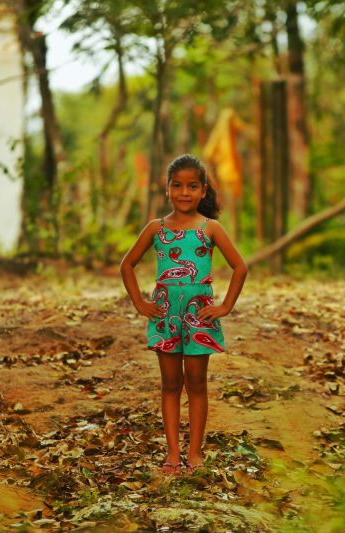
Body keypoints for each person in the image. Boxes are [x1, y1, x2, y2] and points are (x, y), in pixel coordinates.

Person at [120, 154, 248, 476]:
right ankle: (173, 452)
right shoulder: (156, 229)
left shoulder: (211, 229)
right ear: (167, 189)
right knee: (170, 385)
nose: (184, 193)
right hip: (166, 317)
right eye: (177, 186)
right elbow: (127, 265)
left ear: (203, 191)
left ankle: (195, 452)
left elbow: (240, 267)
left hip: (199, 319)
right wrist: (140, 303)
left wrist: (225, 306)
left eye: (192, 186)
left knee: (197, 384)